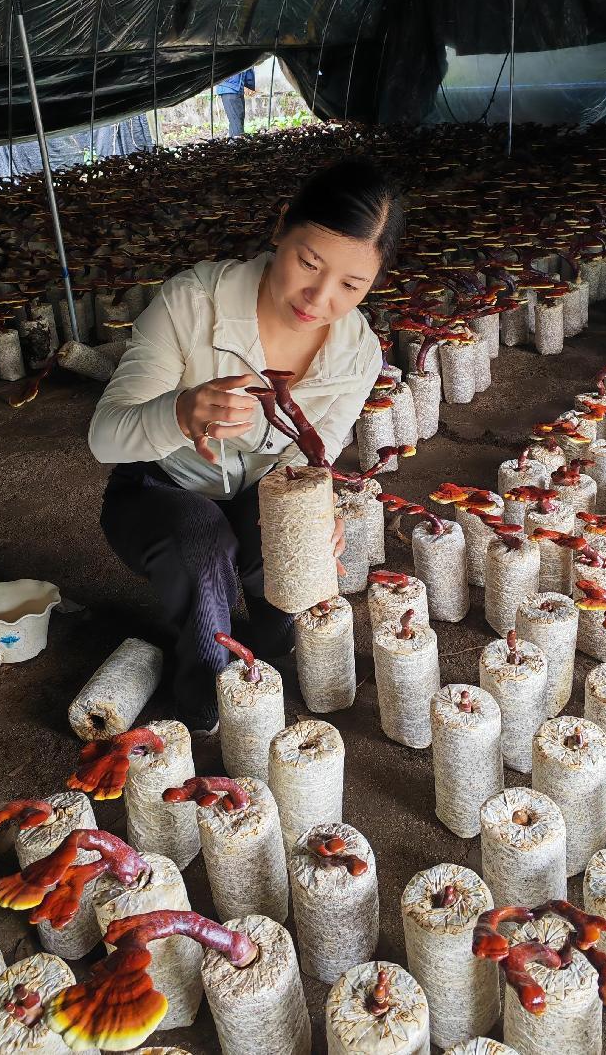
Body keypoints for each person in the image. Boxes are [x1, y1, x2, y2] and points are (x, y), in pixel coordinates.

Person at [89, 159, 404, 733]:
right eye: (309, 262)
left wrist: (317, 504)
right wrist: (180, 413)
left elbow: (314, 452)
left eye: (351, 285)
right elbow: (105, 436)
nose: (319, 296)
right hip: (157, 488)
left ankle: (269, 646)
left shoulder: (358, 351)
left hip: (258, 490)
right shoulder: (192, 303)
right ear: (281, 226)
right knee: (203, 545)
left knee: (292, 541)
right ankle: (207, 695)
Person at [215, 67, 256, 138]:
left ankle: (233, 143)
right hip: (229, 88)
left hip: (237, 88)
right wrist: (250, 86)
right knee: (236, 121)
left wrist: (249, 86)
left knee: (238, 118)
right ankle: (238, 144)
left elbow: (249, 67)